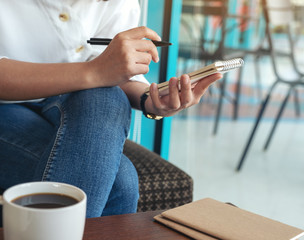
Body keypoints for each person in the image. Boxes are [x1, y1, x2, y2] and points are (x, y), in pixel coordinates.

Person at [0, 0, 222, 218]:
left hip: (62, 103)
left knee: (107, 96)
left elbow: (113, 75)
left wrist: (150, 100)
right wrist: (95, 72)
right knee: (120, 183)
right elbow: (100, 71)